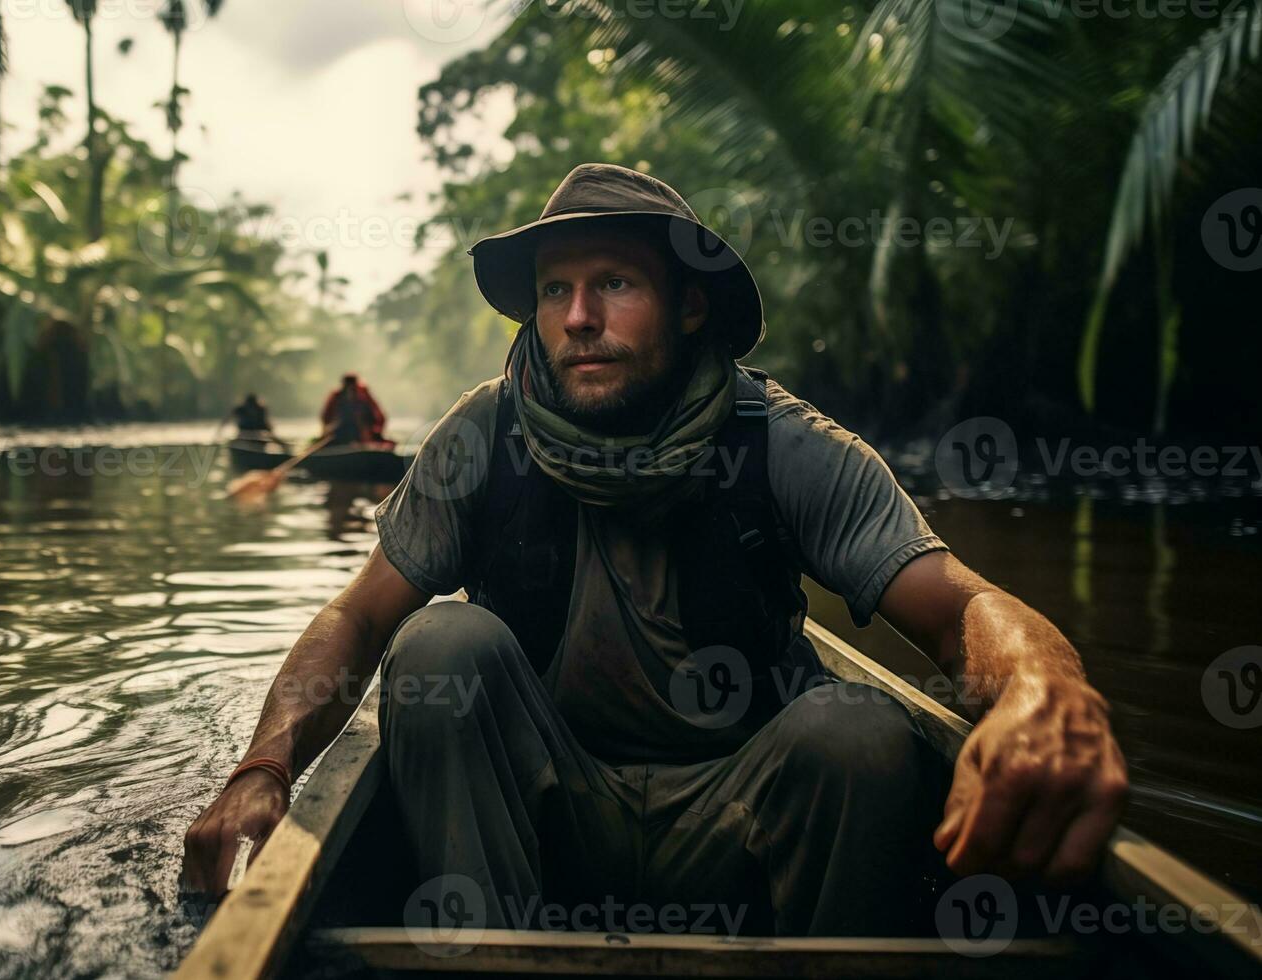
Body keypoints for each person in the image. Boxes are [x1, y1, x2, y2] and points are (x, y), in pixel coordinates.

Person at [182, 164, 1128, 936]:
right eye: (555, 290)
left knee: (859, 730)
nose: (577, 317)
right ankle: (492, 958)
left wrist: (1046, 692)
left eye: (614, 285)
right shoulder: (481, 437)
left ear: (686, 309)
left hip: (736, 817)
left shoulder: (783, 443)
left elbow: (963, 606)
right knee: (437, 647)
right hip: (540, 813)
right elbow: (358, 615)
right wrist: (262, 770)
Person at [319, 373, 388, 445]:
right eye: (348, 387)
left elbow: (380, 417)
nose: (350, 390)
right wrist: (328, 430)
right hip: (339, 433)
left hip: (363, 434)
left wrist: (375, 431)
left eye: (352, 387)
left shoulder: (364, 396)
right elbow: (325, 418)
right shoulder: (336, 397)